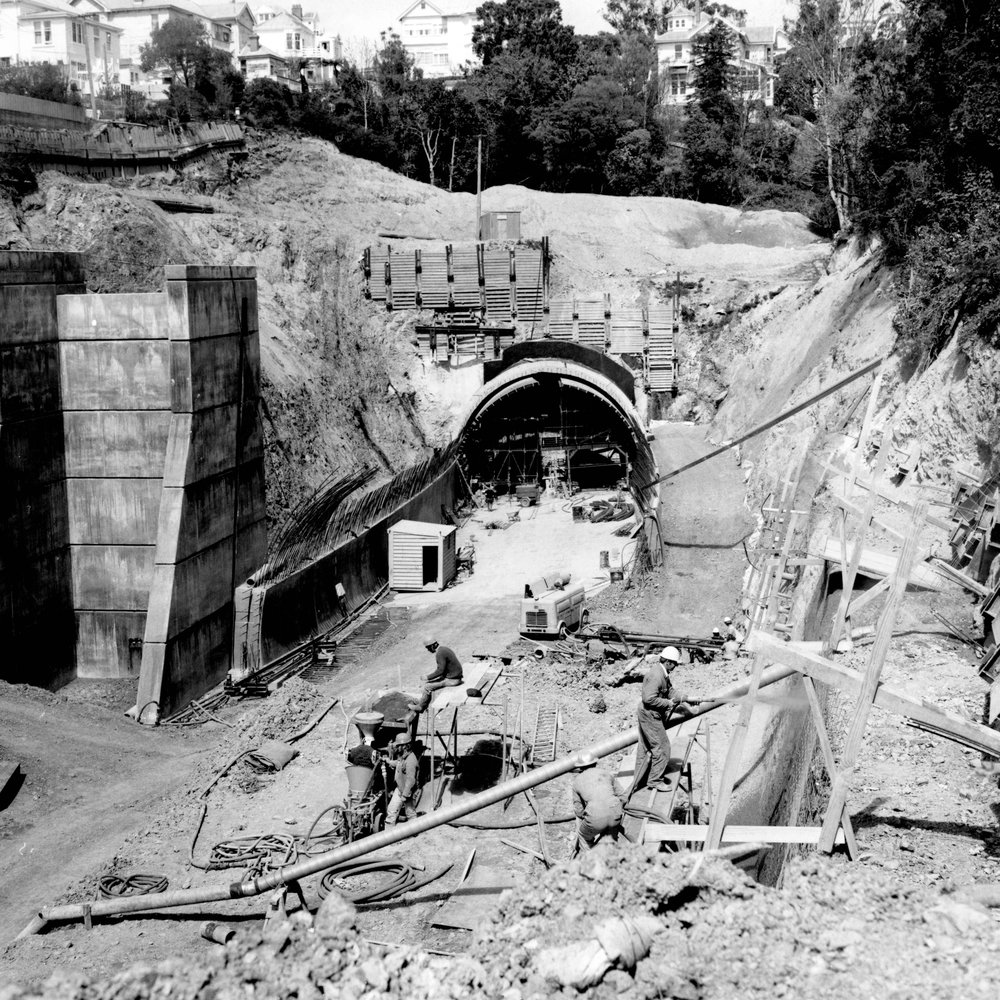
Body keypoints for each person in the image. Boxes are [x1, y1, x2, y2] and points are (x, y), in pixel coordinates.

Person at [635, 646, 699, 792]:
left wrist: (686, 698)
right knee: (663, 748)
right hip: (650, 715)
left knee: (646, 748)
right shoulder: (656, 676)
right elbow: (648, 699)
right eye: (675, 663)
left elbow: (669, 691)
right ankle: (654, 781)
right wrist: (667, 703)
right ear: (669, 662)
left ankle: (642, 778)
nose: (675, 667)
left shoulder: (662, 672)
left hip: (651, 713)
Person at [571, 753, 627, 851]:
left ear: (580, 767)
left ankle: (590, 859)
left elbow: (579, 811)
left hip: (595, 818)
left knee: (583, 835)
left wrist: (591, 817)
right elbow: (623, 797)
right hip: (615, 814)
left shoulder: (576, 782)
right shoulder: (606, 773)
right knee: (610, 834)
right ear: (595, 763)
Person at [385, 734, 424, 826]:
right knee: (391, 811)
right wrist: (388, 761)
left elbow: (411, 780)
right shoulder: (404, 756)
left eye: (398, 746)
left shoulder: (411, 760)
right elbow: (399, 764)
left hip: (407, 792)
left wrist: (405, 795)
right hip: (399, 789)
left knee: (410, 813)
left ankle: (414, 833)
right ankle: (389, 837)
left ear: (405, 746)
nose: (396, 747)